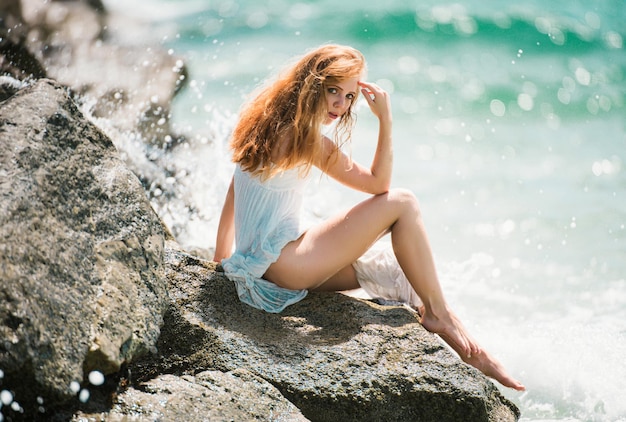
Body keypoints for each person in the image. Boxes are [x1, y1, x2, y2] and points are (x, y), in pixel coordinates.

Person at [213, 44, 525, 391]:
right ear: (311, 84)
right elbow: (380, 185)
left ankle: (468, 348)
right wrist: (386, 121)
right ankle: (443, 319)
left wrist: (223, 258)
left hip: (266, 261)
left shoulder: (263, 121)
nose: (341, 105)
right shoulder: (306, 141)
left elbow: (235, 187)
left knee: (391, 271)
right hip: (286, 262)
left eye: (349, 96)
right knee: (403, 202)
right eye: (333, 90)